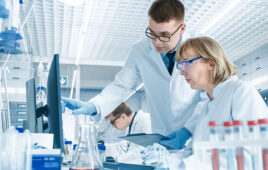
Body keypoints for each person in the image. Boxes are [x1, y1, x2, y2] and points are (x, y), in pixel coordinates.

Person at [62, 0, 200, 150]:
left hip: (196, 136)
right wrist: (94, 105)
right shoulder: (140, 50)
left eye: (165, 35)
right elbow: (122, 86)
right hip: (162, 138)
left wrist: (188, 130)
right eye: (152, 33)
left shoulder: (202, 49)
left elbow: (209, 96)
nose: (157, 42)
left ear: (182, 29)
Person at [144, 36, 268, 169]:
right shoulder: (206, 106)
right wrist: (166, 159)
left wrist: (180, 165)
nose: (182, 72)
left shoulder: (240, 92)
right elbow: (196, 152)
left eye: (187, 63)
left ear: (211, 63)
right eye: (180, 65)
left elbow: (252, 155)